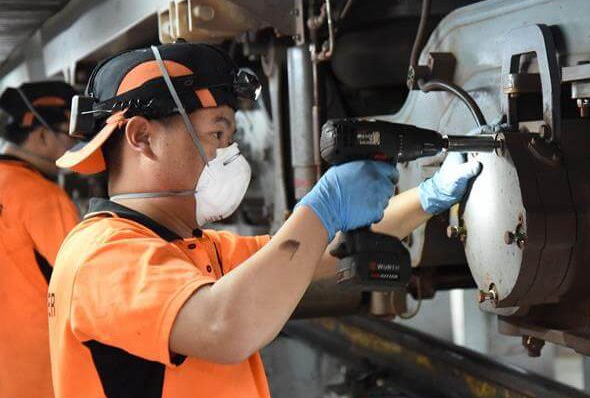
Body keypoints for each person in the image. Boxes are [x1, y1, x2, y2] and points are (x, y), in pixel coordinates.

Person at [49, 42, 481, 397]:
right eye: (216, 134)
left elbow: (318, 253)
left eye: (231, 138)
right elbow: (225, 327)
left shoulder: (194, 249)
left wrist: (430, 196)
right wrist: (324, 205)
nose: (229, 154)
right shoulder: (101, 256)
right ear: (143, 136)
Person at [0, 81, 80, 398]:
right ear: (43, 134)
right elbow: (83, 285)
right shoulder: (43, 198)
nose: (77, 146)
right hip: (40, 377)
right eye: (70, 135)